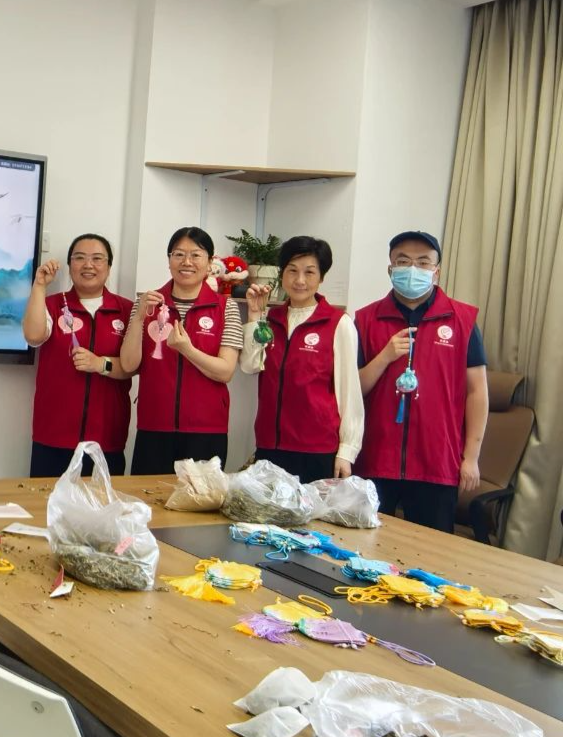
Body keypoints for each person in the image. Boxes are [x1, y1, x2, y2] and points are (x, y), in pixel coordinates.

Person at [355, 230, 488, 533]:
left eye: (423, 262)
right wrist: (385, 357)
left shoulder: (462, 320)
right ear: (390, 269)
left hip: (436, 461)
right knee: (365, 545)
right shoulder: (365, 320)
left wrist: (471, 457)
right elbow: (354, 389)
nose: (413, 269)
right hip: (376, 458)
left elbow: (477, 392)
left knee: (432, 551)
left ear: (436, 271)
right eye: (403, 261)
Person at [240, 236, 363, 483]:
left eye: (309, 272)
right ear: (282, 274)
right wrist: (254, 316)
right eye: (292, 271)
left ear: (321, 277)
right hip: (270, 445)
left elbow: (349, 391)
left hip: (316, 450)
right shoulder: (270, 319)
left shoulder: (338, 323)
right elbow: (250, 365)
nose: (300, 280)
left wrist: (347, 451)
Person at [120, 227, 241, 475]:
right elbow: (129, 364)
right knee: (149, 497)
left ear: (210, 263)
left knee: (201, 499)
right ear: (169, 260)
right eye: (178, 254)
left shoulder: (225, 307)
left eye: (196, 255)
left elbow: (225, 371)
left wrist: (188, 350)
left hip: (206, 430)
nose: (186, 262)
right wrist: (139, 317)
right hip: (154, 427)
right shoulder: (147, 303)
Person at [22, 234, 135, 478]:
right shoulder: (52, 305)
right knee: (47, 501)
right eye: (80, 258)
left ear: (109, 266)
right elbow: (33, 336)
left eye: (97, 259)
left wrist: (100, 364)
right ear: (70, 264)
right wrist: (39, 286)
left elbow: (133, 366)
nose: (88, 265)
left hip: (106, 438)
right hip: (54, 436)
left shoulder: (126, 310)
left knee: (103, 502)